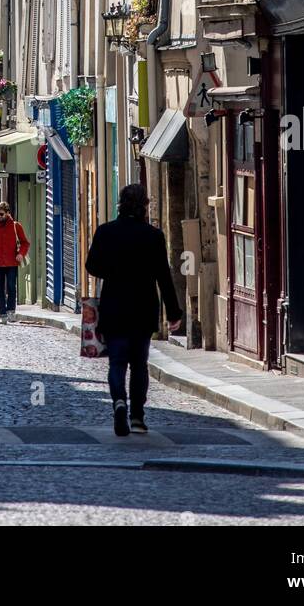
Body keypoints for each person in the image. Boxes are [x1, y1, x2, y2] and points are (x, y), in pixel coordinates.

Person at [85, 183, 181, 438]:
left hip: (114, 307)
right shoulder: (153, 236)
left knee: (117, 362)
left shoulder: (106, 232)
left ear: (120, 204)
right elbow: (164, 276)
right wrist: (174, 313)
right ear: (144, 206)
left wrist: (113, 271)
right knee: (139, 365)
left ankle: (119, 402)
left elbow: (92, 265)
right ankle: (137, 417)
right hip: (143, 308)